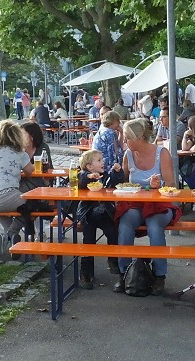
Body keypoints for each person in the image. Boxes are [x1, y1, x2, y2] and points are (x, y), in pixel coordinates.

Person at [112, 119, 177, 294]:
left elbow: (171, 183)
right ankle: (124, 273)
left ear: (139, 137)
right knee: (125, 225)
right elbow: (124, 183)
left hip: (159, 204)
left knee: (155, 227)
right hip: (136, 203)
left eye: (127, 138)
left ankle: (159, 275)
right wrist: (116, 173)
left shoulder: (161, 153)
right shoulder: (128, 155)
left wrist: (159, 184)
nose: (124, 142)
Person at [0, 120, 35, 252]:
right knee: (32, 205)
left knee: (1, 208)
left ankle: (9, 236)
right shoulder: (20, 154)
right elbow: (30, 171)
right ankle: (11, 233)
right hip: (7, 197)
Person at [76, 149, 119, 287]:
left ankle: (113, 260)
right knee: (88, 241)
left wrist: (118, 172)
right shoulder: (85, 176)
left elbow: (116, 182)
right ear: (89, 166)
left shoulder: (105, 176)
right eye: (99, 160)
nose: (103, 162)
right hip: (88, 214)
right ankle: (86, 272)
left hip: (105, 213)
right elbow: (80, 179)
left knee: (113, 232)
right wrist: (88, 176)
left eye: (102, 159)